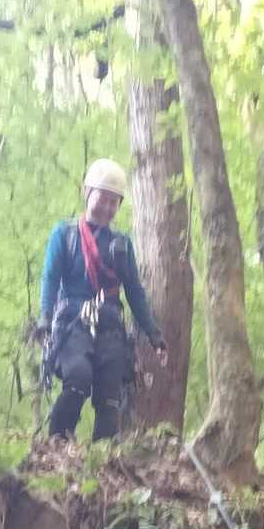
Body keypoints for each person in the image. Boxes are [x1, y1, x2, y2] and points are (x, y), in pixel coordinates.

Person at [39, 158, 167, 441]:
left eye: (114, 202)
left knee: (110, 396)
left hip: (110, 326)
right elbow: (50, 278)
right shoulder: (65, 234)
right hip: (73, 323)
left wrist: (153, 333)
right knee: (77, 379)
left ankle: (102, 457)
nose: (107, 207)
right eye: (102, 198)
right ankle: (57, 443)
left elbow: (134, 291)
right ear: (87, 193)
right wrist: (45, 318)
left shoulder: (121, 245)